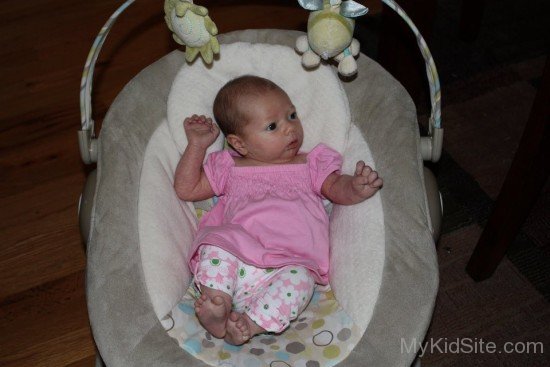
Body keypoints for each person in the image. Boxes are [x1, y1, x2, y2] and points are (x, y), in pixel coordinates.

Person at [174, 75, 382, 345]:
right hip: (237, 260)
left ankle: (248, 325)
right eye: (272, 126)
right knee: (217, 242)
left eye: (292, 115)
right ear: (240, 144)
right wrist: (197, 146)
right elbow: (187, 189)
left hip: (288, 264)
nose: (290, 129)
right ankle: (217, 304)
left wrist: (355, 187)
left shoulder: (312, 162)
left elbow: (335, 188)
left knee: (302, 280)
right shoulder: (229, 167)